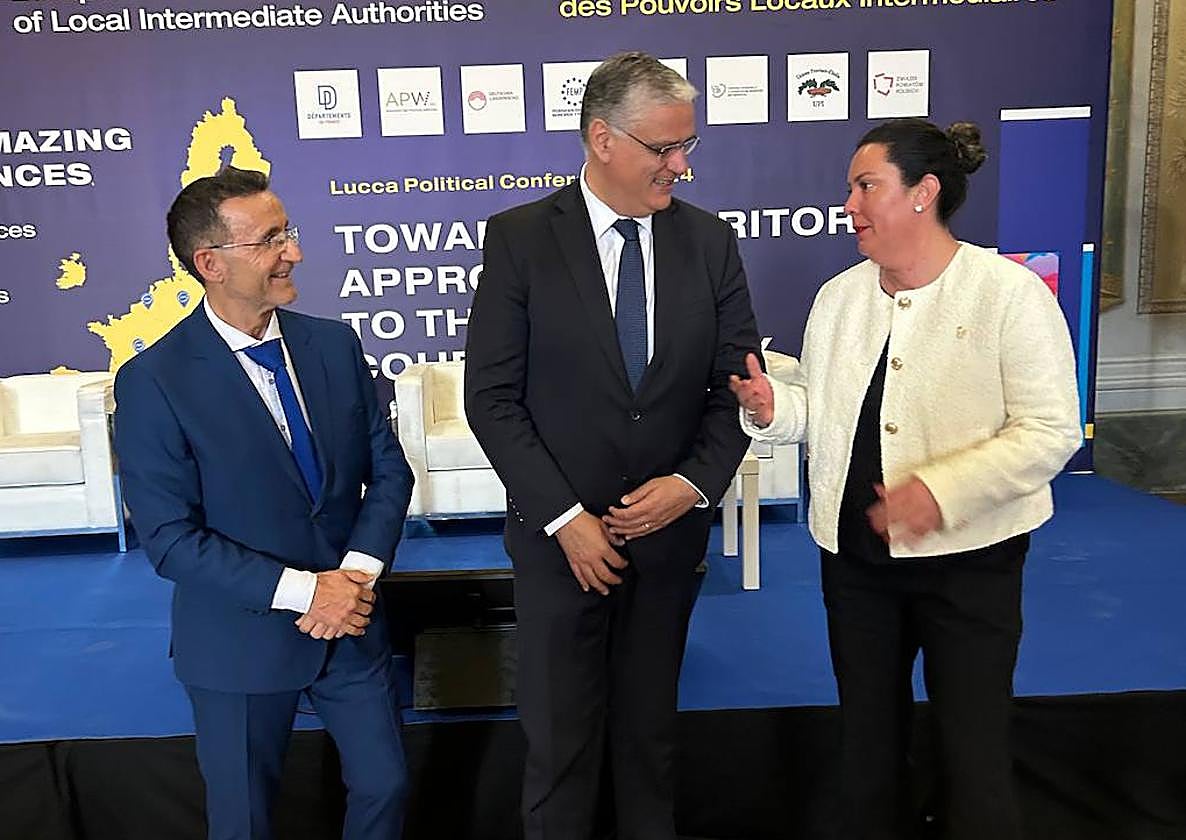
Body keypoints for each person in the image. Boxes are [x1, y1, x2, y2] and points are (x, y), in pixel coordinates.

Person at [730, 118, 1082, 840]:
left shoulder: (1009, 294)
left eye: (867, 186)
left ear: (924, 192)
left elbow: (1050, 433)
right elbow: (827, 410)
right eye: (850, 189)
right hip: (855, 563)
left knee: (973, 751)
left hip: (972, 565)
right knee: (866, 746)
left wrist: (940, 491)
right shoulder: (838, 297)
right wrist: (773, 409)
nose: (849, 205)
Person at [464, 51, 760, 840]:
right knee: (559, 751)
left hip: (667, 546)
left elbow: (736, 387)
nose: (681, 165)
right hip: (559, 549)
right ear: (602, 139)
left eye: (687, 145)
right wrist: (567, 519)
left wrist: (691, 485)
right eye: (664, 147)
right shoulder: (521, 239)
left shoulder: (710, 242)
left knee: (648, 747)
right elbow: (491, 398)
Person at [114, 166, 414, 840]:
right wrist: (310, 592)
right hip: (238, 643)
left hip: (352, 621)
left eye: (288, 232)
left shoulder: (334, 345)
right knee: (244, 820)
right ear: (210, 263)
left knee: (386, 786)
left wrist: (354, 579)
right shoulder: (153, 381)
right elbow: (171, 539)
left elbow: (388, 471)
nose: (294, 252)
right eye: (270, 240)